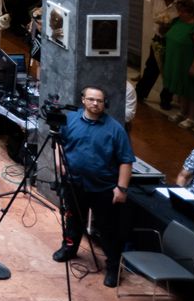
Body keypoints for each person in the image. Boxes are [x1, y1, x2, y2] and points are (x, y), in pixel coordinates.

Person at [54, 84, 134, 287]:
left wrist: (122, 188)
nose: (95, 103)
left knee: (108, 230)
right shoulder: (70, 119)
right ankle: (69, 248)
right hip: (75, 184)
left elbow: (126, 160)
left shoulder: (115, 129)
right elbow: (59, 142)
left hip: (104, 188)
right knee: (72, 220)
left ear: (105, 103)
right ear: (83, 100)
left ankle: (113, 267)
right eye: (91, 99)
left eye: (99, 100)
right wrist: (59, 162)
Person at [160, 0, 194, 126]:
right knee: (182, 88)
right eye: (179, 11)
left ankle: (192, 118)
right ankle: (182, 112)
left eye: (183, 12)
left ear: (191, 12)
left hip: (188, 63)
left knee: (192, 90)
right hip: (176, 62)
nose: (180, 14)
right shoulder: (177, 22)